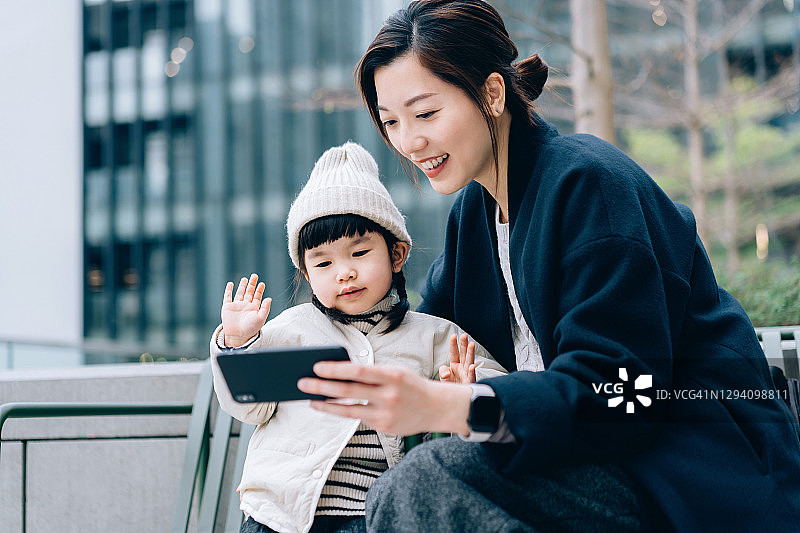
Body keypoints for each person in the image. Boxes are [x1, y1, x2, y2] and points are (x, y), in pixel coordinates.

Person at [295, 1, 800, 531]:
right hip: (572, 469)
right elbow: (424, 334)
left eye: (426, 113)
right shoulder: (475, 218)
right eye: (391, 121)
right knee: (376, 498)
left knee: (426, 480)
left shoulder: (589, 183)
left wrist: (456, 404)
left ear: (491, 94)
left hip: (683, 465)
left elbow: (623, 391)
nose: (409, 141)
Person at [209, 141, 507, 533]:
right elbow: (250, 407)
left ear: (396, 255)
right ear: (306, 272)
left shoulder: (431, 335)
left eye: (359, 253)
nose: (343, 272)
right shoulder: (290, 330)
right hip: (280, 512)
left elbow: (503, 393)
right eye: (324, 262)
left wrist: (465, 393)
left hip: (373, 515)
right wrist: (238, 343)